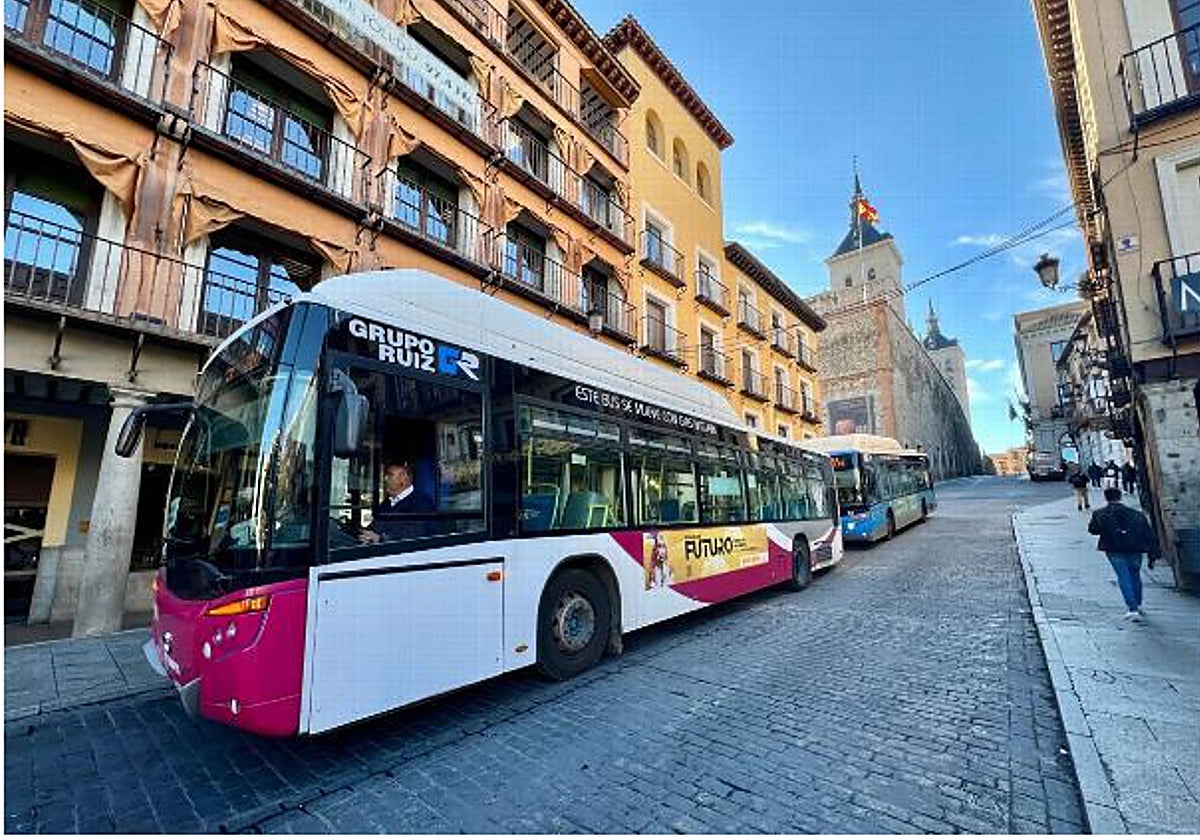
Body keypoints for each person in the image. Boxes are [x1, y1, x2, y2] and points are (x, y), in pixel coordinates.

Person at [1087, 487, 1160, 620]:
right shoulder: (1136, 514)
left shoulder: (1100, 513)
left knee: (1123, 576)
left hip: (1113, 549)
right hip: (1134, 548)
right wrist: (1152, 553)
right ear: (1120, 497)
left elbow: (1093, 530)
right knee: (1135, 575)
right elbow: (1148, 533)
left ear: (1106, 498)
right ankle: (1137, 602)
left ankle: (1132, 608)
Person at [360, 460, 434, 543]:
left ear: (404, 479)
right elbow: (375, 525)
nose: (385, 479)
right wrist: (364, 533)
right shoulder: (387, 502)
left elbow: (415, 533)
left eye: (390, 475)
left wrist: (381, 539)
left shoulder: (421, 503)